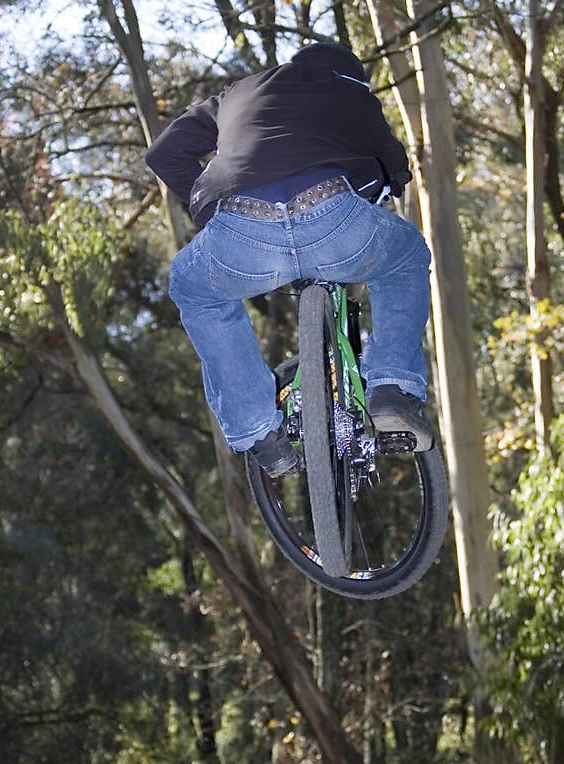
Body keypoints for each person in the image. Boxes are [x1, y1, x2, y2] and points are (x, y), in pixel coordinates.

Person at [144, 41, 434, 476]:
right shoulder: (348, 89)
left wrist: (209, 206)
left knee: (195, 290)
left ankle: (258, 433)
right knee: (406, 257)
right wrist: (375, 190)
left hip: (242, 231)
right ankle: (391, 386)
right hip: (332, 217)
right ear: (352, 75)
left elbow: (164, 153)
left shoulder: (235, 93)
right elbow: (394, 165)